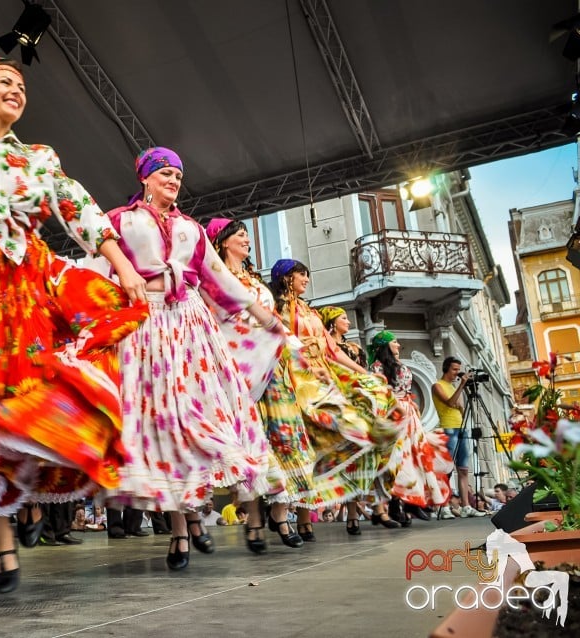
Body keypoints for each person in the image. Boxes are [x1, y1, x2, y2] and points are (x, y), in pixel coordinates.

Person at [0, 57, 148, 594]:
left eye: (21, 85)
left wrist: (124, 263)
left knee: (18, 403)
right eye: (5, 83)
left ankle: (13, 523)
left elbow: (77, 207)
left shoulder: (40, 158)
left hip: (26, 290)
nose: (17, 90)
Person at [101, 147, 287, 571]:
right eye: (165, 173)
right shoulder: (119, 221)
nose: (173, 180)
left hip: (189, 327)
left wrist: (263, 316)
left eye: (179, 176)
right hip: (145, 328)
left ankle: (194, 513)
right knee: (161, 425)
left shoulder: (191, 228)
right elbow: (100, 271)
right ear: (145, 178)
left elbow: (218, 277)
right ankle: (182, 528)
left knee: (200, 417)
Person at [207, 219, 353, 548]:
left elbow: (275, 327)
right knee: (253, 448)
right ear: (223, 241)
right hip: (239, 373)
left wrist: (303, 355)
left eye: (247, 234)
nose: (247, 239)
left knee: (288, 440)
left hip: (274, 372)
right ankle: (256, 522)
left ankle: (280, 515)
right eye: (239, 234)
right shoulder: (215, 279)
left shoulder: (255, 282)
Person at [267, 263, 404, 537]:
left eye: (308, 274)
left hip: (323, 376)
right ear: (285, 278)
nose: (306, 278)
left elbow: (330, 350)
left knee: (350, 431)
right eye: (301, 274)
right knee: (306, 446)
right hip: (296, 378)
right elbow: (276, 342)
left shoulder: (310, 311)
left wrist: (364, 373)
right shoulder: (276, 307)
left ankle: (317, 511)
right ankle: (294, 515)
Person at [367, 331, 453, 521]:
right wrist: (398, 406)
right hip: (392, 415)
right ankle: (397, 504)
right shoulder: (377, 368)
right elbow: (380, 394)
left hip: (409, 415)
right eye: (395, 342)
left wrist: (411, 405)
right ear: (386, 345)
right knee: (397, 459)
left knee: (416, 457)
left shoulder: (398, 365)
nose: (398, 345)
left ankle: (410, 501)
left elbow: (405, 391)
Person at [431, 357, 487, 518]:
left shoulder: (453, 386)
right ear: (446, 369)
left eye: (458, 369)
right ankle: (444, 506)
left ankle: (466, 506)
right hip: (448, 429)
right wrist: (461, 385)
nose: (457, 373)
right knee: (446, 470)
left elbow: (461, 408)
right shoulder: (437, 385)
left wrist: (461, 391)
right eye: (454, 369)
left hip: (461, 428)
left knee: (463, 469)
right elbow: (450, 403)